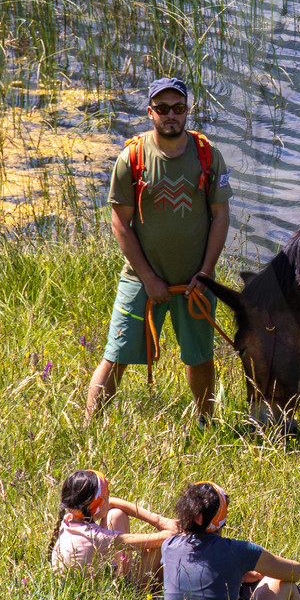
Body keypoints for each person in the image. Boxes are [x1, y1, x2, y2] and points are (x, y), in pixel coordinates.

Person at [85, 77, 232, 423]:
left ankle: (205, 425)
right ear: (150, 112)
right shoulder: (131, 159)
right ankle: (90, 430)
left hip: (194, 281)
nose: (171, 116)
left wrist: (206, 274)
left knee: (200, 358)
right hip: (140, 280)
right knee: (115, 356)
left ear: (187, 111)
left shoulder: (208, 157)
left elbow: (221, 216)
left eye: (178, 109)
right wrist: (149, 278)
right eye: (163, 109)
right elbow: (120, 223)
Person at [160, 481, 300, 600]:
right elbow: (296, 572)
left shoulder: (169, 546)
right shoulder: (238, 551)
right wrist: (257, 566)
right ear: (222, 519)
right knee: (284, 583)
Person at [47, 468, 176, 587]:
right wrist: (179, 529)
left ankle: (122, 577)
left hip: (80, 589)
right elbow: (162, 537)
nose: (109, 499)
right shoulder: (99, 538)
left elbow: (112, 503)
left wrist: (160, 521)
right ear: (97, 506)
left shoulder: (69, 519)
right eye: (106, 496)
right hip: (99, 595)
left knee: (116, 514)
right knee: (160, 546)